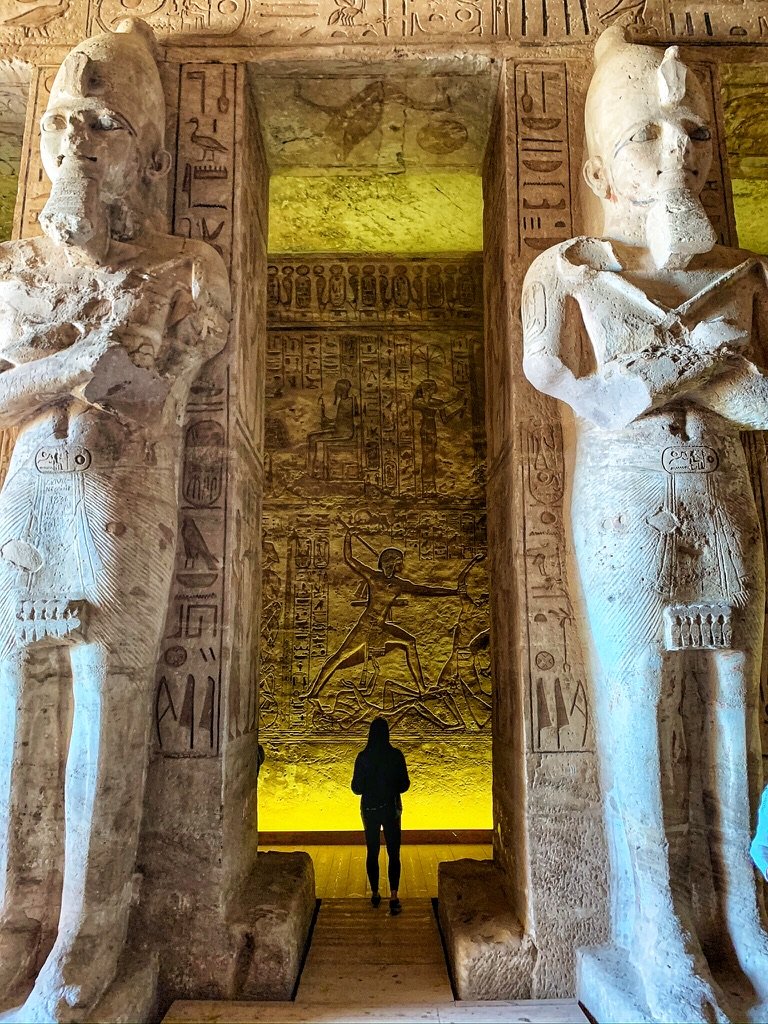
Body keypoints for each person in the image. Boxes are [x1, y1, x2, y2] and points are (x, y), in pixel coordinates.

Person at [351, 717, 410, 915]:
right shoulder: (395, 756)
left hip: (370, 809)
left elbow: (356, 789)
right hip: (391, 808)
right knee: (394, 853)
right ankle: (393, 896)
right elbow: (405, 785)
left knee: (372, 851)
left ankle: (375, 893)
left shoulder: (363, 757)